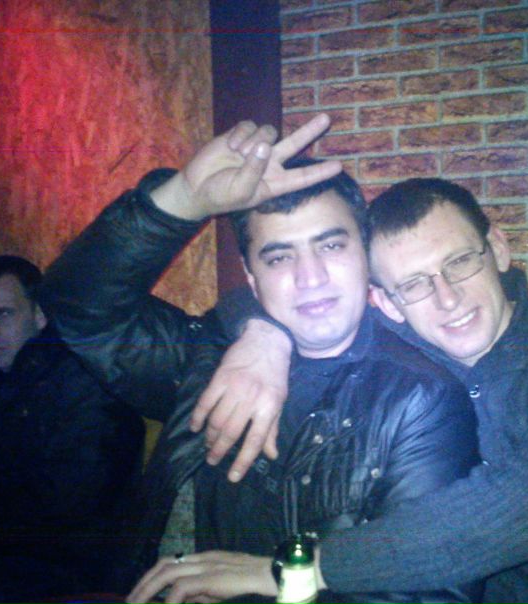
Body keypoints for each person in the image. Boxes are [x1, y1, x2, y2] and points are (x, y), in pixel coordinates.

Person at [38, 116, 481, 603]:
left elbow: (429, 593)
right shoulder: (209, 358)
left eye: (331, 245)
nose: (310, 277)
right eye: (279, 257)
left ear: (364, 257)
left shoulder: (420, 399)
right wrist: (184, 198)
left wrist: (272, 586)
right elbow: (76, 307)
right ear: (252, 279)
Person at [184, 177, 528, 603]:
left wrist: (302, 567)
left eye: (460, 262)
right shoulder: (401, 343)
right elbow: (294, 300)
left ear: (497, 249)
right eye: (415, 284)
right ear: (387, 302)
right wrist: (262, 334)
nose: (448, 299)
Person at [0, 255, 145, 603]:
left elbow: (65, 510)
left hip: (65, 580)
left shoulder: (81, 381)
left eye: (3, 314)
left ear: (39, 315)